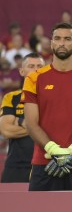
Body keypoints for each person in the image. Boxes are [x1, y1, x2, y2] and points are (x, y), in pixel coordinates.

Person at [22, 23, 72, 191]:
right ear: (51, 43)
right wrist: (54, 150)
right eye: (57, 39)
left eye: (67, 39)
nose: (62, 43)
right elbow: (30, 123)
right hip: (44, 162)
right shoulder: (33, 79)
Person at [1, 54, 44, 183]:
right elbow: (6, 130)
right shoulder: (11, 97)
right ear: (21, 71)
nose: (36, 70)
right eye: (31, 66)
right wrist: (39, 126)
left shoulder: (54, 98)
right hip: (16, 165)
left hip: (47, 164)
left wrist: (20, 122)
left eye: (40, 67)